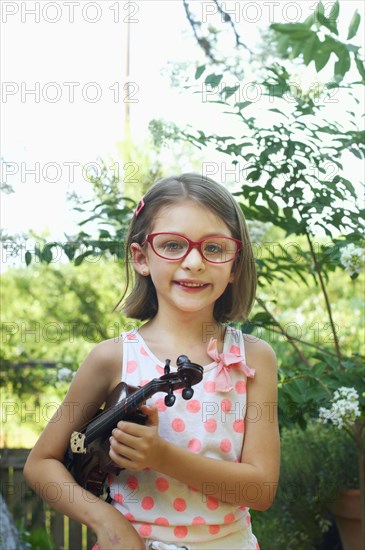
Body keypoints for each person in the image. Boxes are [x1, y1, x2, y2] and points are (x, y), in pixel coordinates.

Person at [24, 173, 280, 550]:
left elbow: (261, 490)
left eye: (214, 248)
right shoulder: (111, 358)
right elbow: (41, 464)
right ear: (141, 258)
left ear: (235, 264)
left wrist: (162, 456)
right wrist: (108, 523)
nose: (194, 262)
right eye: (173, 245)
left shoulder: (254, 357)